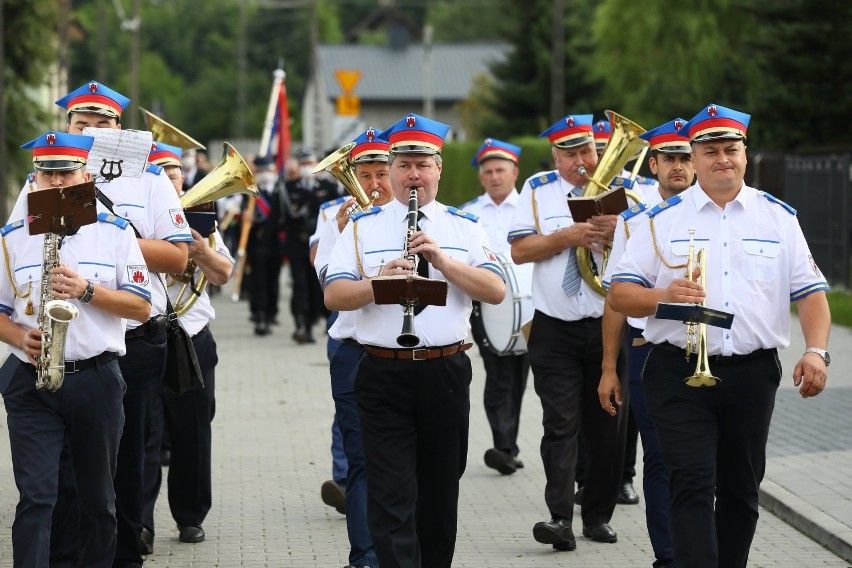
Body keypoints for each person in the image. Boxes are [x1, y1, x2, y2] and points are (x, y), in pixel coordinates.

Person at [608, 103, 831, 568]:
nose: (721, 159)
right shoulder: (658, 219)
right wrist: (663, 295)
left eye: (731, 149)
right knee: (689, 482)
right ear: (694, 156)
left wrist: (816, 351)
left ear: (745, 155)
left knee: (741, 490)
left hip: (752, 374)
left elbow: (810, 294)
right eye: (709, 151)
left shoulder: (777, 218)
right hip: (675, 370)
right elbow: (621, 296)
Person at [324, 113, 505, 568]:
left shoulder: (465, 227)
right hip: (382, 371)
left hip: (445, 370)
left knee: (440, 492)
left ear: (439, 169)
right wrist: (379, 283)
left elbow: (496, 290)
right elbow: (335, 294)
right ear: (391, 169)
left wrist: (443, 262)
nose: (413, 175)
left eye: (423, 164)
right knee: (390, 492)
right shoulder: (362, 227)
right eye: (403, 164)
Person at [43, 81, 191, 568]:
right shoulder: (45, 177)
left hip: (134, 336)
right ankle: (66, 552)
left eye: (102, 124)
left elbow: (176, 255)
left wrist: (114, 234)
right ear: (67, 127)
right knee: (65, 461)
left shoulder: (148, 180)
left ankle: (127, 552)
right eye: (81, 123)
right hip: (69, 339)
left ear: (118, 130)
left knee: (128, 457)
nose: (90, 131)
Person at [0, 131, 152, 567]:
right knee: (37, 497)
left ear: (85, 175)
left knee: (99, 501)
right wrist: (17, 336)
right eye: (49, 176)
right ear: (35, 179)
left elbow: (143, 308)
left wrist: (88, 292)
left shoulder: (117, 232)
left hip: (96, 379)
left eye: (66, 173)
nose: (59, 184)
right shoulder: (13, 236)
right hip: (32, 380)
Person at [508, 113, 627, 551]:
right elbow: (520, 250)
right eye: (571, 154)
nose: (582, 161)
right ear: (555, 156)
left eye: (587, 151)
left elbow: (645, 254)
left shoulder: (621, 189)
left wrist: (622, 229)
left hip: (608, 325)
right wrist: (570, 235)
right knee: (560, 424)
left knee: (608, 426)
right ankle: (560, 517)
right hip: (554, 326)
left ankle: (597, 514)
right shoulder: (537, 190)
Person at [597, 118, 695, 568]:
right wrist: (608, 368)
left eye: (685, 157)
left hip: (709, 350)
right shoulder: (634, 222)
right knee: (658, 455)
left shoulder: (716, 212)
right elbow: (616, 299)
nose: (679, 166)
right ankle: (669, 556)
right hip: (649, 350)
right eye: (670, 158)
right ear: (652, 164)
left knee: (705, 461)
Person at [140, 142, 234, 551]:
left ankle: (190, 516)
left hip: (194, 342)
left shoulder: (206, 225)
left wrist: (199, 249)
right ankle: (139, 521)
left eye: (175, 173)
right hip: (147, 338)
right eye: (160, 172)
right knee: (144, 435)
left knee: (193, 433)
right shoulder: (135, 223)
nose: (170, 179)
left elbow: (225, 274)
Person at [313, 127, 395, 568]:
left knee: (404, 461)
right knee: (361, 457)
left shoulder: (412, 218)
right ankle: (364, 556)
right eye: (365, 175)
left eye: (383, 173)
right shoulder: (336, 222)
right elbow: (329, 283)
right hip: (353, 350)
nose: (375, 185)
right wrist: (345, 235)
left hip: (403, 352)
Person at [460, 138, 530, 475]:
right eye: (487, 171)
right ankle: (503, 446)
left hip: (532, 305)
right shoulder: (469, 213)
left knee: (522, 373)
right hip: (488, 306)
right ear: (481, 177)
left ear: (515, 172)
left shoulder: (530, 208)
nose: (494, 176)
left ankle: (511, 444)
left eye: (500, 169)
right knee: (498, 371)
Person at [283, 150, 344, 343]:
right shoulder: (289, 187)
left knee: (315, 285)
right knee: (300, 286)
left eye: (311, 163)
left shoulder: (327, 186)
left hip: (321, 246)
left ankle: (319, 320)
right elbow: (286, 216)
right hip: (298, 244)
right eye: (304, 163)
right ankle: (302, 325)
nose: (308, 167)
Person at [247, 156, 284, 336]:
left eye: (268, 171)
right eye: (261, 171)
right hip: (256, 246)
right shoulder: (251, 193)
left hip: (275, 245)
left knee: (273, 281)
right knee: (258, 282)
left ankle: (271, 313)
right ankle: (260, 315)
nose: (265, 175)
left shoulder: (280, 190)